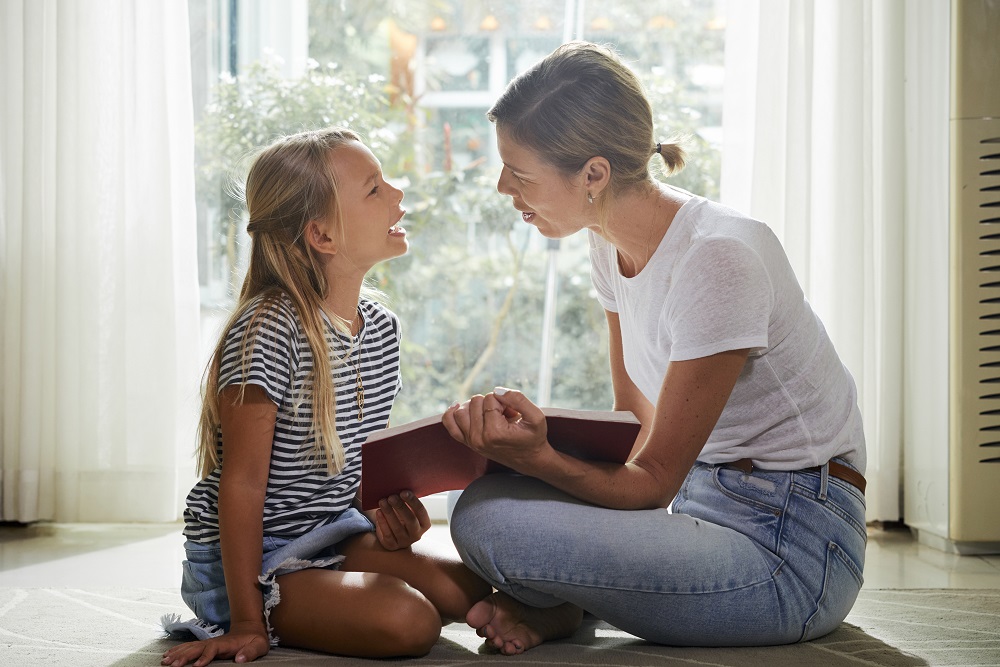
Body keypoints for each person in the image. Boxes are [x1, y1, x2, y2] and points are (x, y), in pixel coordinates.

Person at [442, 41, 867, 655]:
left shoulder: (719, 257)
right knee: (480, 486)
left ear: (593, 175)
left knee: (488, 521)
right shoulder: (606, 242)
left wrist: (541, 459)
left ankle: (566, 603)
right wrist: (523, 449)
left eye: (522, 173)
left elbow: (651, 482)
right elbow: (633, 423)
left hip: (789, 550)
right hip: (694, 507)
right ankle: (569, 603)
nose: (503, 186)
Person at [161, 128, 490, 667]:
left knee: (466, 591)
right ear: (323, 235)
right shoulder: (268, 328)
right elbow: (241, 487)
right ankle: (250, 609)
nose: (398, 194)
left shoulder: (381, 328)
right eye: (374, 189)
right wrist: (247, 623)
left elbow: (346, 474)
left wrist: (390, 519)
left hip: (329, 532)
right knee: (410, 621)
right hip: (251, 563)